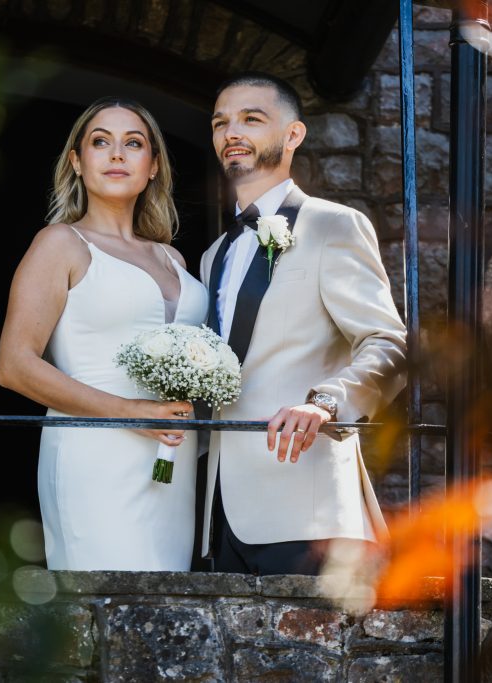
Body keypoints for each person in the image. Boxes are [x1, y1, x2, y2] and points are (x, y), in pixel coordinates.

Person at [200, 73, 407, 575]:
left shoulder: (333, 225)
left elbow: (389, 344)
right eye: (221, 122)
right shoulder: (212, 256)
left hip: (308, 507)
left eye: (252, 118)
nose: (232, 132)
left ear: (293, 135)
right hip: (221, 511)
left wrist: (328, 401)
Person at [0, 97, 209, 571]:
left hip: (170, 461)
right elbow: (14, 366)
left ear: (153, 166)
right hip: (93, 454)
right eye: (100, 142)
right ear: (77, 161)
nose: (117, 154)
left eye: (133, 144)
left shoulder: (172, 258)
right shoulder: (59, 244)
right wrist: (129, 412)